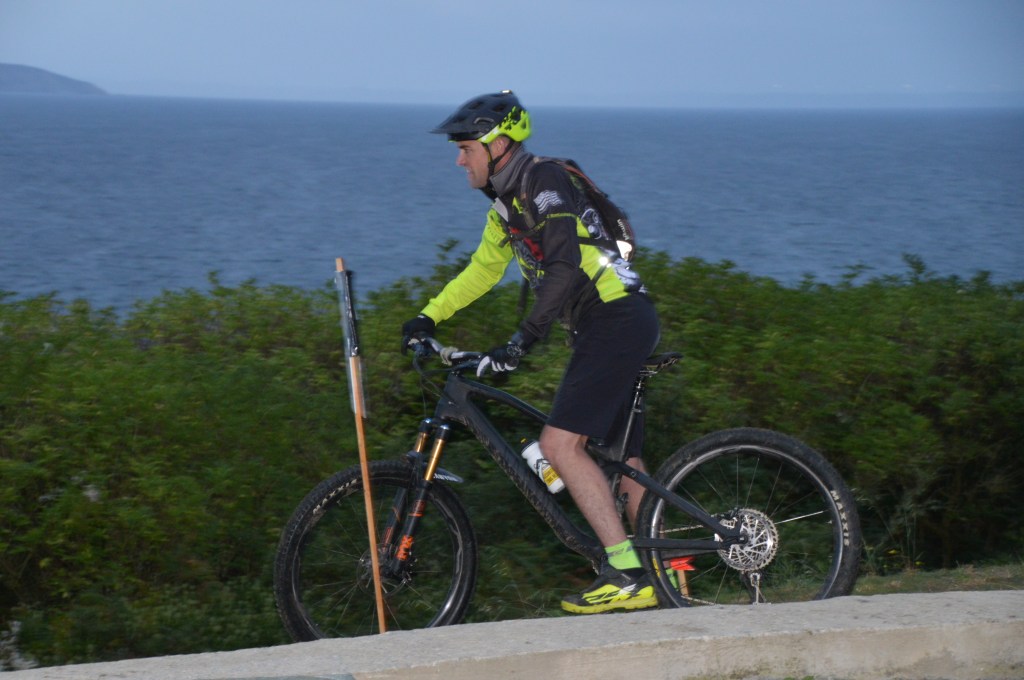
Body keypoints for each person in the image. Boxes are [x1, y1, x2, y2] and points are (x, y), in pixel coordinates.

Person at [401, 90, 661, 614]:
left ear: (497, 144)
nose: (458, 159)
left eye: (465, 148)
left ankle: (626, 573)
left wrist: (522, 342)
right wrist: (429, 316)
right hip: (609, 323)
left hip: (613, 316)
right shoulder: (506, 207)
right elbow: (482, 271)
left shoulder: (543, 181)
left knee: (561, 445)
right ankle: (667, 572)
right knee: (621, 461)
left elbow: (564, 267)